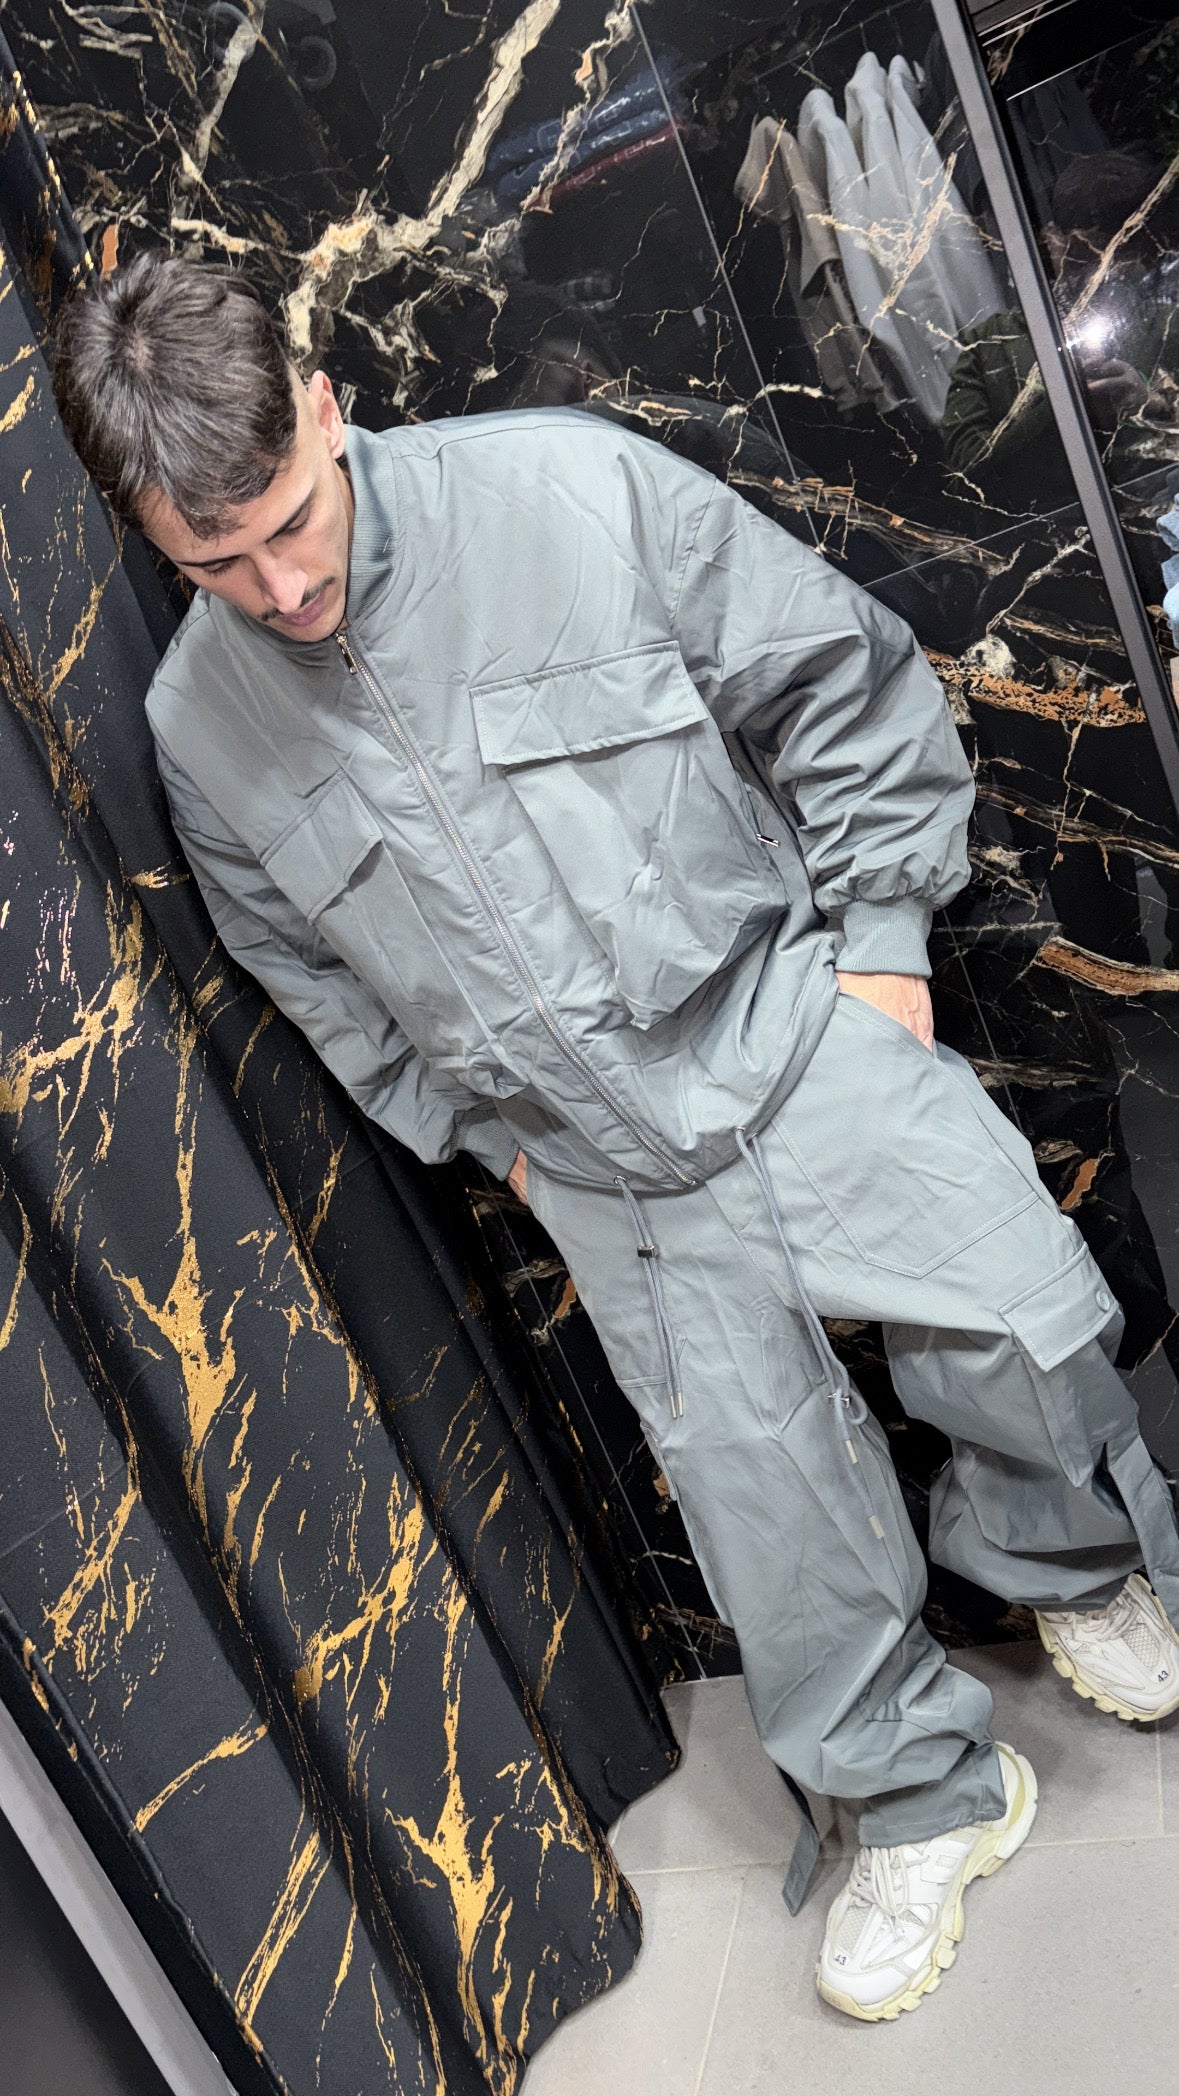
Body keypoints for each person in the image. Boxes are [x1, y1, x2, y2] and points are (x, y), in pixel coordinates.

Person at [51, 253, 1179, 2025]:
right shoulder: (200, 728)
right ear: (147, 531)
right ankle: (919, 1798)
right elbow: (307, 974)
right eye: (218, 566)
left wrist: (882, 950)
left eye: (287, 525)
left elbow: (838, 678)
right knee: (770, 1524)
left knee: (1026, 1324)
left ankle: (1069, 1562)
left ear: (324, 407)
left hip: (783, 1030)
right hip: (595, 1170)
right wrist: (485, 1143)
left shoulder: (570, 489)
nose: (282, 588)